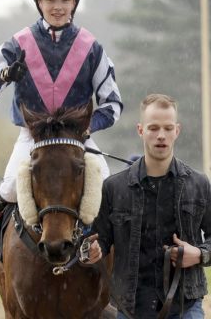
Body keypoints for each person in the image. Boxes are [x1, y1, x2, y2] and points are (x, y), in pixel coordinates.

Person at [0, 0, 123, 233]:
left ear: (74, 3)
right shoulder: (18, 42)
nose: (58, 7)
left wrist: (87, 128)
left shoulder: (91, 47)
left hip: (77, 136)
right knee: (9, 188)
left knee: (108, 186)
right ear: (39, 2)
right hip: (32, 136)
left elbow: (112, 105)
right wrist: (5, 75)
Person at [88, 94, 211, 318]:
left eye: (167, 127)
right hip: (130, 308)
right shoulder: (113, 188)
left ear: (177, 130)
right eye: (153, 128)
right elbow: (100, 241)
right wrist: (91, 250)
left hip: (185, 307)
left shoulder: (200, 184)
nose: (161, 135)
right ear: (141, 130)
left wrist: (199, 254)